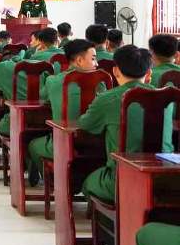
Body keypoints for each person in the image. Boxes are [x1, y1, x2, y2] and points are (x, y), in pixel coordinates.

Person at [79, 45, 174, 205]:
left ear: (115, 71)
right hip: (164, 180)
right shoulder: (167, 99)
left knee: (88, 183)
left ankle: (111, 217)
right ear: (149, 73)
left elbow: (85, 125)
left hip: (122, 179)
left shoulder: (106, 99)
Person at [26, 39, 99, 184]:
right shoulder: (101, 80)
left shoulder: (53, 81)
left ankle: (53, 182)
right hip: (97, 143)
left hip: (65, 142)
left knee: (33, 144)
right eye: (93, 59)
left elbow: (43, 98)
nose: (96, 64)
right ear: (79, 60)